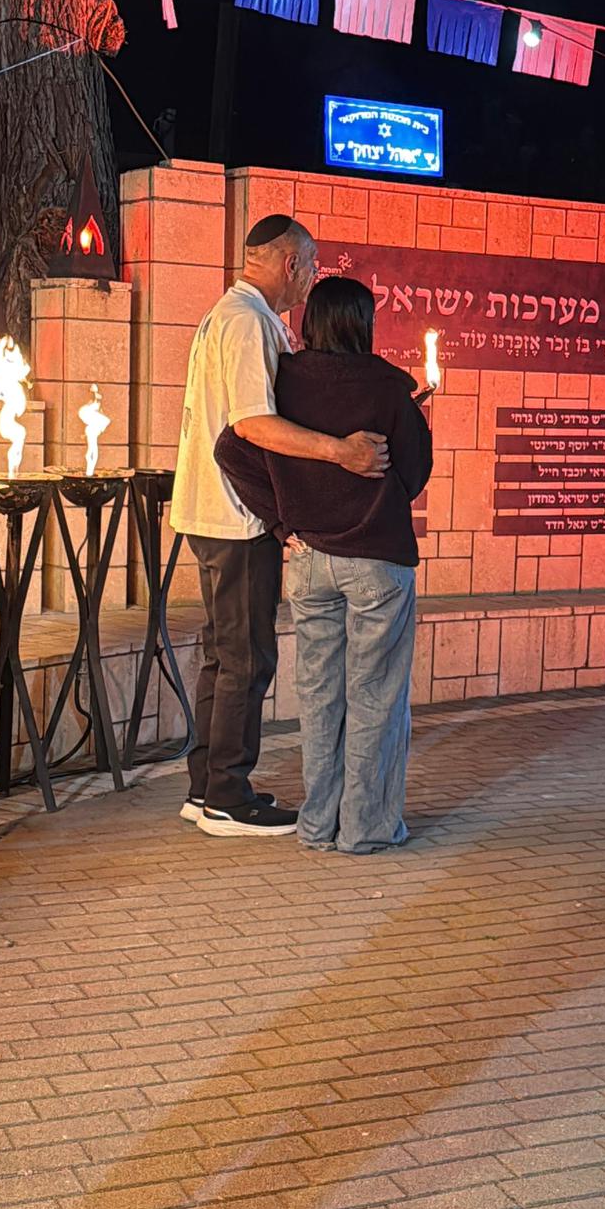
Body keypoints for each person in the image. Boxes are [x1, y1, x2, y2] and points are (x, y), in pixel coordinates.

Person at [170, 215, 388, 839]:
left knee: (224, 655)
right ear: (291, 263)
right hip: (236, 517)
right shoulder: (247, 321)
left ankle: (207, 787)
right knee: (245, 659)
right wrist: (339, 451)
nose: (312, 279)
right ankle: (227, 798)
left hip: (213, 511)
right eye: (312, 266)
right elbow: (252, 424)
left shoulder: (230, 313)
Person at [215, 276, 432, 854]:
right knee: (375, 696)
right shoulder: (387, 386)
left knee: (319, 697)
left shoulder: (281, 381)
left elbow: (230, 448)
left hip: (309, 560)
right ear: (364, 323)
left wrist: (280, 520)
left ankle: (317, 825)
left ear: (310, 322)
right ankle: (365, 828)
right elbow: (414, 474)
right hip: (377, 561)